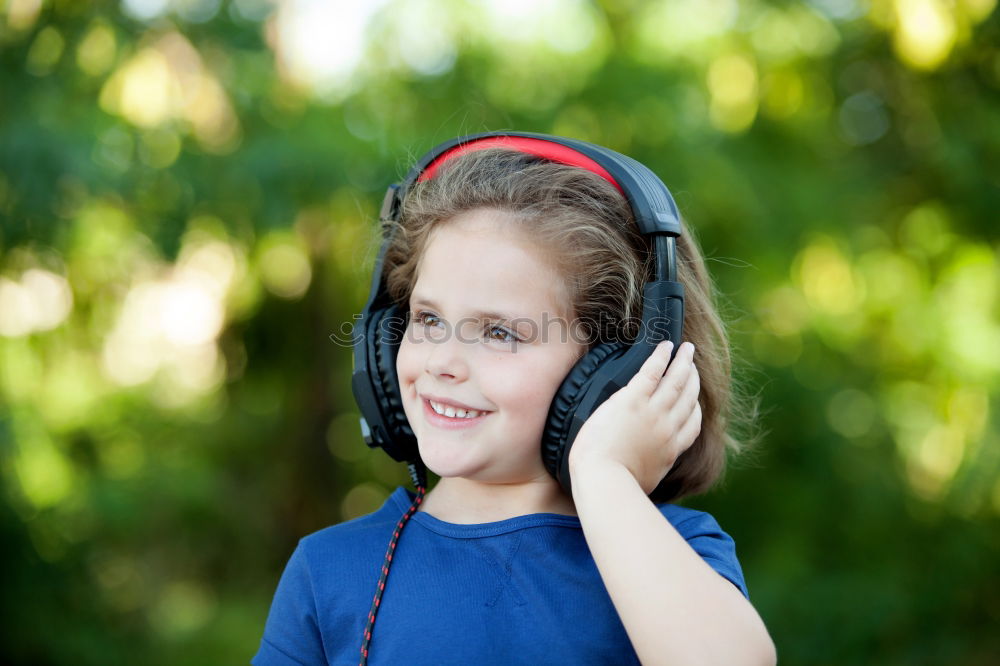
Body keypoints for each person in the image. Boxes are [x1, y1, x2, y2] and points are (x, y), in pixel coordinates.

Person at [252, 134, 776, 665]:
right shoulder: (332, 571)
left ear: (617, 370)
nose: (442, 362)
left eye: (499, 333)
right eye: (428, 319)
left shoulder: (667, 553)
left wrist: (602, 476)